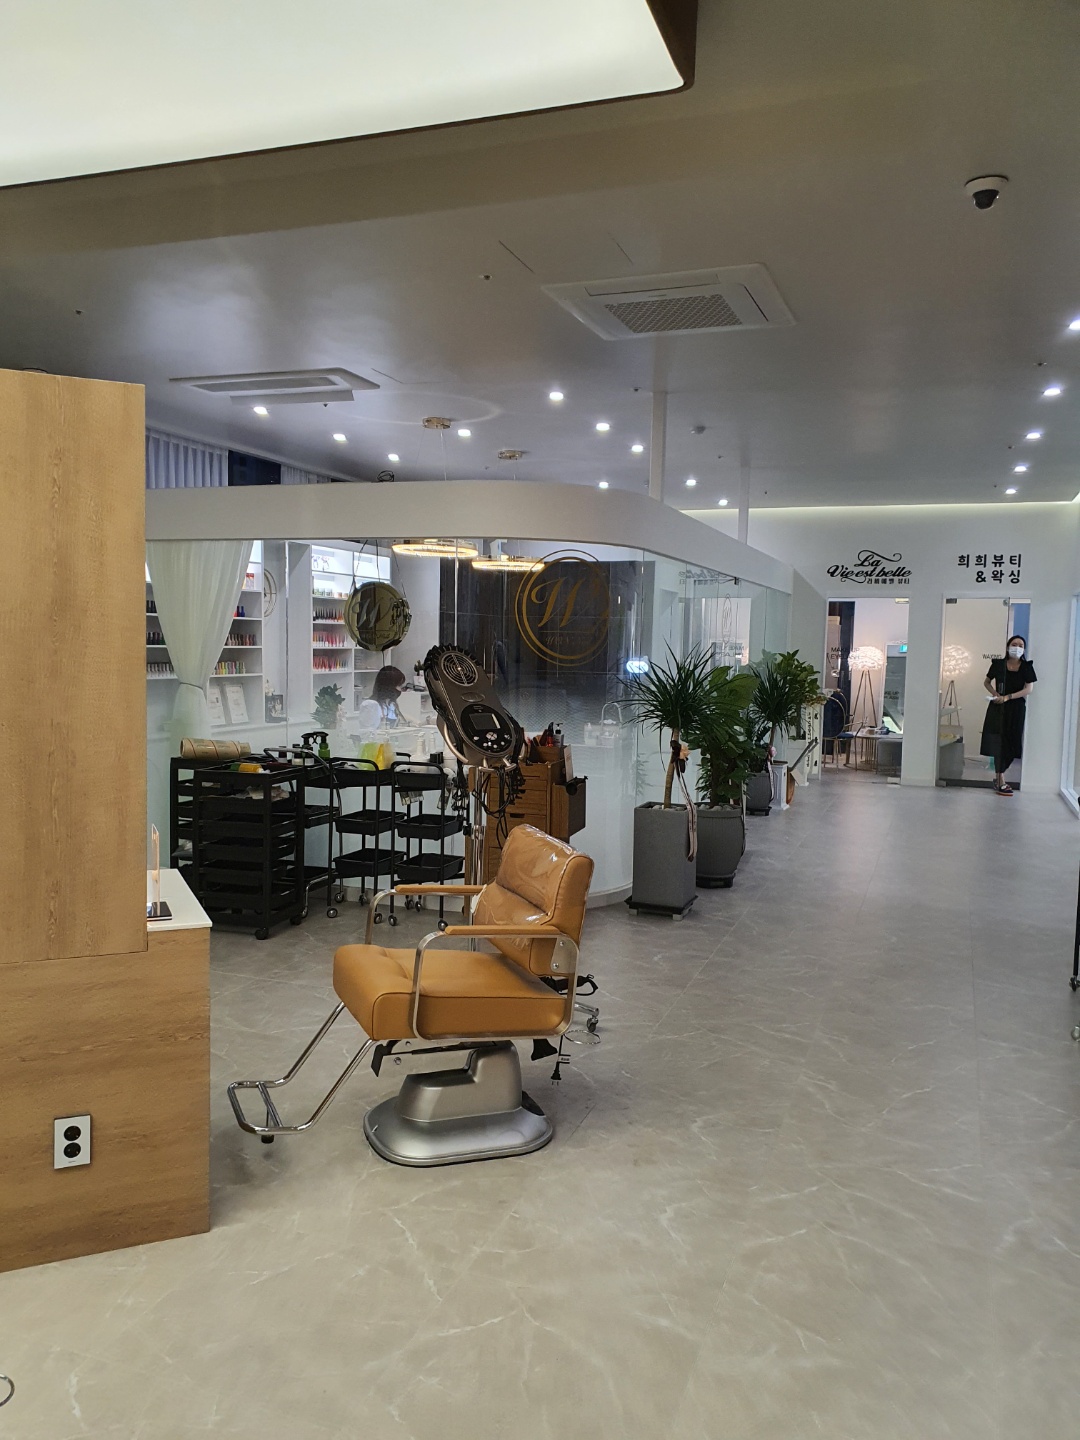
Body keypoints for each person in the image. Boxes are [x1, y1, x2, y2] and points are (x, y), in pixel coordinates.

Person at [980, 635, 1036, 796]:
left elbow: (1029, 689)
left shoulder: (1027, 667)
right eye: (1014, 644)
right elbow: (986, 682)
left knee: (1012, 743)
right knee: (998, 742)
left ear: (1024, 649)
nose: (1017, 648)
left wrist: (1008, 697)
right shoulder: (998, 664)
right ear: (1007, 646)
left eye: (1020, 645)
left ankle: (999, 776)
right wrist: (995, 694)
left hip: (1016, 708)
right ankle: (1000, 779)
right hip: (998, 707)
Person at [355, 665, 406, 730]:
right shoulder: (371, 705)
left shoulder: (391, 704)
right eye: (399, 685)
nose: (400, 689)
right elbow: (367, 731)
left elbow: (400, 719)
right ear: (389, 686)